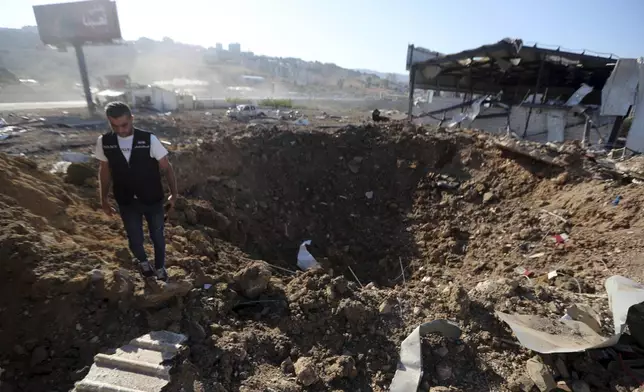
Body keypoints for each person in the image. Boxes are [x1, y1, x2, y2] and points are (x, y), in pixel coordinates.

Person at [95, 101, 178, 282]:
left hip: (152, 199)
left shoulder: (149, 139)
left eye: (124, 125)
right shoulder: (105, 142)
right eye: (114, 126)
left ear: (132, 119)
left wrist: (174, 193)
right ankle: (144, 264)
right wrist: (103, 199)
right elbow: (104, 171)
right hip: (126, 200)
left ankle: (160, 267)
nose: (121, 130)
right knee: (134, 238)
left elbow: (166, 167)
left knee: (157, 235)